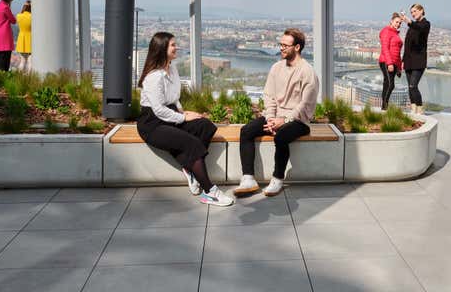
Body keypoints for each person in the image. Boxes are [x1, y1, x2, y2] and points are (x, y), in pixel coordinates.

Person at [137, 32, 233, 207]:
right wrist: (182, 118)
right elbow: (158, 110)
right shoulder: (153, 77)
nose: (177, 47)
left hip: (170, 114)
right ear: (162, 49)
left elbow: (174, 99)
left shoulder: (172, 69)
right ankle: (210, 192)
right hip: (152, 123)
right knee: (192, 144)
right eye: (173, 45)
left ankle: (189, 167)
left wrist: (184, 112)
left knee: (206, 126)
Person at [234, 28, 319, 197]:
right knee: (246, 131)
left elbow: (305, 105)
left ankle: (277, 179)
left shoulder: (307, 72)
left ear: (297, 47)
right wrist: (271, 118)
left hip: (299, 121)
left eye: (286, 45)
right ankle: (248, 178)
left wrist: (284, 120)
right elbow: (269, 96)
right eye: (280, 44)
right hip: (275, 117)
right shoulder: (276, 68)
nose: (281, 48)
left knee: (281, 137)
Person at [401, 4, 430, 115]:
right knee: (410, 87)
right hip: (408, 60)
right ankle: (413, 109)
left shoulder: (425, 24)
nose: (413, 14)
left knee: (413, 86)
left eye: (415, 11)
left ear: (421, 10)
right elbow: (407, 45)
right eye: (412, 12)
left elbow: (420, 29)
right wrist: (403, 60)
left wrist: (409, 22)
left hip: (419, 61)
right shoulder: (412, 26)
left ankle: (420, 109)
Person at [378, 13, 403, 110]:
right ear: (391, 21)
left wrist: (399, 68)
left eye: (400, 23)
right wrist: (389, 63)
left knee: (387, 84)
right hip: (386, 61)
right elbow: (385, 48)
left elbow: (398, 53)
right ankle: (384, 107)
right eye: (397, 22)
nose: (398, 24)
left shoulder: (395, 33)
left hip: (394, 63)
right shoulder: (386, 32)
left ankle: (384, 107)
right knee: (390, 84)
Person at [16, 0, 32, 72]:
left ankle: (19, 76)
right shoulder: (32, 16)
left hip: (21, 39)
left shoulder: (18, 16)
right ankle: (29, 77)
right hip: (30, 39)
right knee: (30, 61)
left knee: (22, 61)